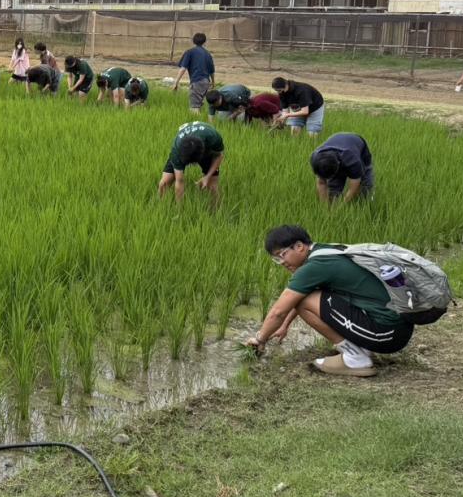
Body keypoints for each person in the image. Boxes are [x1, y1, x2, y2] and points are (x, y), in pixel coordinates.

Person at [247, 226, 414, 377]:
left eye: (282, 255)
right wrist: (284, 326)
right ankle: (361, 348)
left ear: (299, 246)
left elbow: (279, 311)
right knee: (308, 297)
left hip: (386, 334)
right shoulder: (326, 252)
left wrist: (260, 339)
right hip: (398, 329)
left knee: (304, 301)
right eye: (276, 259)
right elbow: (303, 297)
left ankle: (355, 358)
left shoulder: (313, 267)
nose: (281, 262)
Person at [158, 120, 223, 205]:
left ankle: (216, 210)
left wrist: (207, 177)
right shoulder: (177, 150)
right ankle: (161, 205)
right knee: (164, 182)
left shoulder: (213, 137)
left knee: (212, 185)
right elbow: (179, 181)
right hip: (183, 150)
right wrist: (179, 210)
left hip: (205, 147)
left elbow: (219, 156)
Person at [311, 133, 374, 203]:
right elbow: (321, 183)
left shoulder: (353, 160)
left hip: (359, 150)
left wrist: (342, 206)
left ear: (338, 164)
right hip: (338, 146)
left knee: (365, 188)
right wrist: (324, 207)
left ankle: (363, 204)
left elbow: (354, 186)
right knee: (333, 190)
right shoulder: (316, 158)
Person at [172, 32, 214, 112]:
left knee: (194, 108)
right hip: (206, 82)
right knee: (200, 106)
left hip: (197, 81)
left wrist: (176, 82)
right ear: (204, 41)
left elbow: (183, 68)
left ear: (193, 41)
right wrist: (213, 83)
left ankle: (195, 122)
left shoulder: (190, 52)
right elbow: (212, 71)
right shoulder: (208, 54)